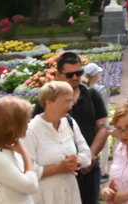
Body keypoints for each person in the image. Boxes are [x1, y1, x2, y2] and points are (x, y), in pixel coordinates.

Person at [34, 51, 108, 204]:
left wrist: (90, 157)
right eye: (70, 75)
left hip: (88, 169)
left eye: (79, 73)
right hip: (58, 176)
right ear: (59, 74)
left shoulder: (92, 95)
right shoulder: (46, 101)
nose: (75, 77)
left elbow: (103, 127)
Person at [24, 81, 91, 204]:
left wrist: (77, 161)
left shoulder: (70, 122)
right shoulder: (31, 130)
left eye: (71, 101)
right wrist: (58, 168)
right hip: (45, 197)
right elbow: (27, 171)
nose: (70, 107)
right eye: (65, 102)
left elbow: (86, 155)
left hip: (71, 194)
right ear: (48, 102)